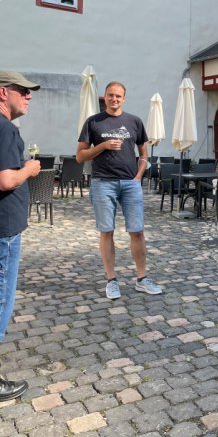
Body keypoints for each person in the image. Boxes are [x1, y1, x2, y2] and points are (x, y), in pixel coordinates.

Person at [77, 82, 162, 300]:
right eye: (110, 95)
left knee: (137, 231)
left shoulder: (134, 121)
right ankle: (111, 280)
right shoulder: (93, 122)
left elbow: (143, 153)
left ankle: (142, 279)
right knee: (107, 231)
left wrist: (138, 176)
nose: (114, 99)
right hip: (103, 182)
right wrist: (102, 146)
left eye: (118, 96)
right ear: (104, 97)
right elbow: (80, 156)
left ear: (124, 98)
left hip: (130, 184)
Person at [0, 70, 41, 401]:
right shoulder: (5, 129)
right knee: (1, 300)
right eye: (22, 91)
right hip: (5, 230)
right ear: (3, 93)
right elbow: (6, 181)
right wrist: (30, 168)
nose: (28, 96)